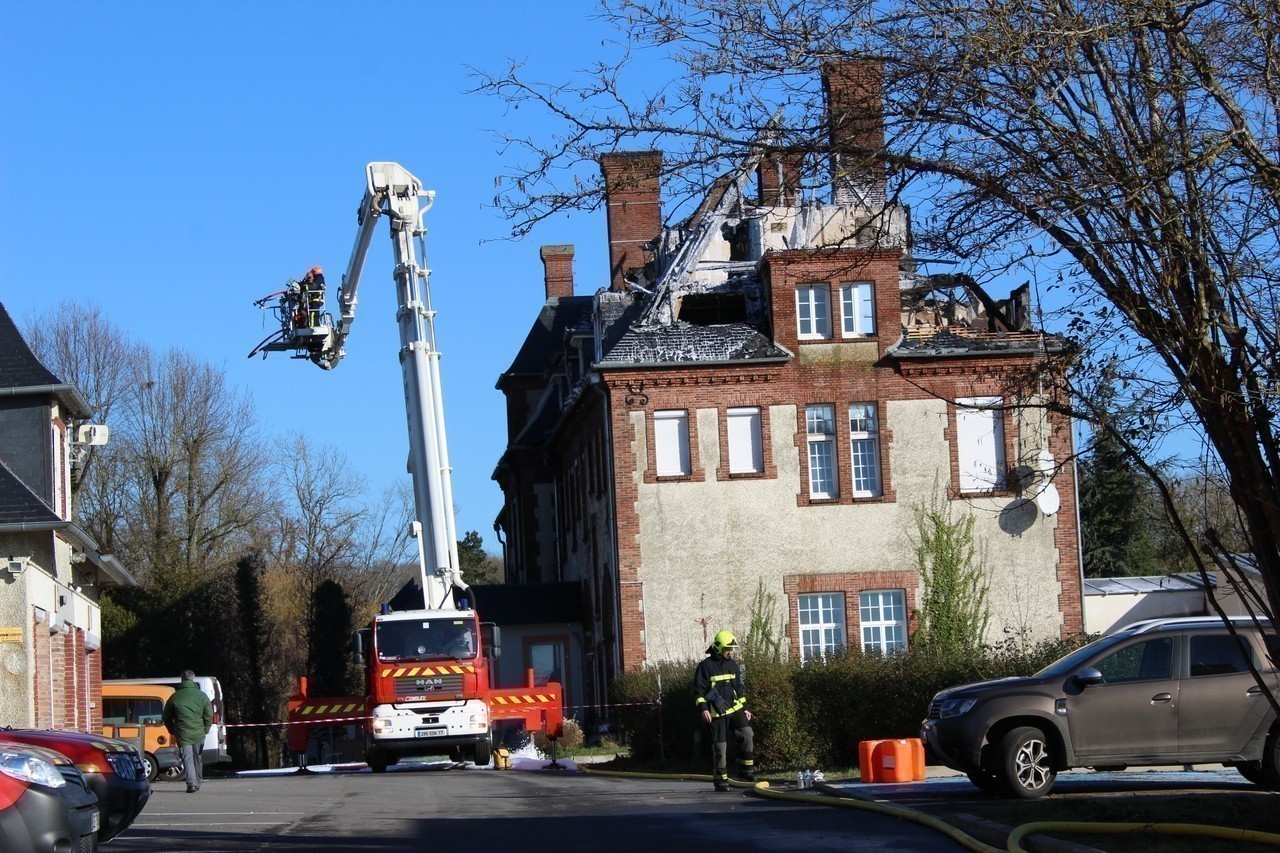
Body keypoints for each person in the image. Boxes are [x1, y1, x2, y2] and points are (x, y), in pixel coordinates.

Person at [694, 629, 755, 792]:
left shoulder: (732, 665)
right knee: (720, 747)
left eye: (732, 649)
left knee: (747, 734)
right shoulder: (705, 666)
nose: (731, 652)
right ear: (719, 648)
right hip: (717, 712)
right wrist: (704, 709)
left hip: (734, 708)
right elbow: (698, 692)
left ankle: (746, 771)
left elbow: (738, 688)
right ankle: (721, 780)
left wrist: (745, 708)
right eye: (728, 649)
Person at [162, 671, 214, 793]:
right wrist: (205, 729)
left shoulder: (175, 697)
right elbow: (209, 715)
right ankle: (198, 781)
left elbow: (166, 717)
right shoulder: (202, 696)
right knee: (197, 757)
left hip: (182, 733)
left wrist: (172, 730)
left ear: (182, 680)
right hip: (199, 732)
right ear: (193, 679)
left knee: (187, 758)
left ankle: (191, 783)